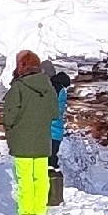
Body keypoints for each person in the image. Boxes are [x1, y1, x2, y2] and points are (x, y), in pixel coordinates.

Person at [0, 50, 56, 215]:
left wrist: (10, 128)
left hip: (22, 141)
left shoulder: (18, 87)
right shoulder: (48, 87)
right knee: (41, 178)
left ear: (21, 66)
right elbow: (54, 113)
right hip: (42, 140)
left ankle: (26, 214)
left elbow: (10, 115)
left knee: (25, 179)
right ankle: (40, 211)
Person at [48, 69, 71, 207]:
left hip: (50, 130)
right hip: (56, 131)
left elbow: (52, 110)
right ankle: (55, 195)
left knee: (49, 162)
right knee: (52, 160)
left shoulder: (55, 88)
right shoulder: (61, 89)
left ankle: (53, 195)